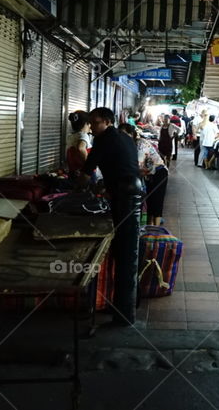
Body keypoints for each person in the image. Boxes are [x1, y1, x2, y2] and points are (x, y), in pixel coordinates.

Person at [83, 107, 142, 324]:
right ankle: (125, 306)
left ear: (107, 121)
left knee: (126, 252)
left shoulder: (103, 140)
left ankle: (124, 314)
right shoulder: (124, 137)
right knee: (127, 250)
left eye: (95, 123)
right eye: (90, 123)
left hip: (125, 197)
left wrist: (80, 183)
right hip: (132, 192)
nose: (91, 127)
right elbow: (120, 167)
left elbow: (87, 169)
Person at [120, 123, 168, 226]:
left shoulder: (141, 144)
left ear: (132, 134)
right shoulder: (128, 146)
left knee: (157, 201)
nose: (122, 137)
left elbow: (137, 165)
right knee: (150, 201)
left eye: (125, 134)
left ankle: (156, 229)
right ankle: (149, 227)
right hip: (148, 174)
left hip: (159, 172)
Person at [65, 110, 93, 178]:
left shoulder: (70, 136)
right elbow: (80, 148)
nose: (90, 126)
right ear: (86, 124)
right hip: (83, 172)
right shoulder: (84, 135)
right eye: (89, 123)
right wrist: (88, 166)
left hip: (73, 170)